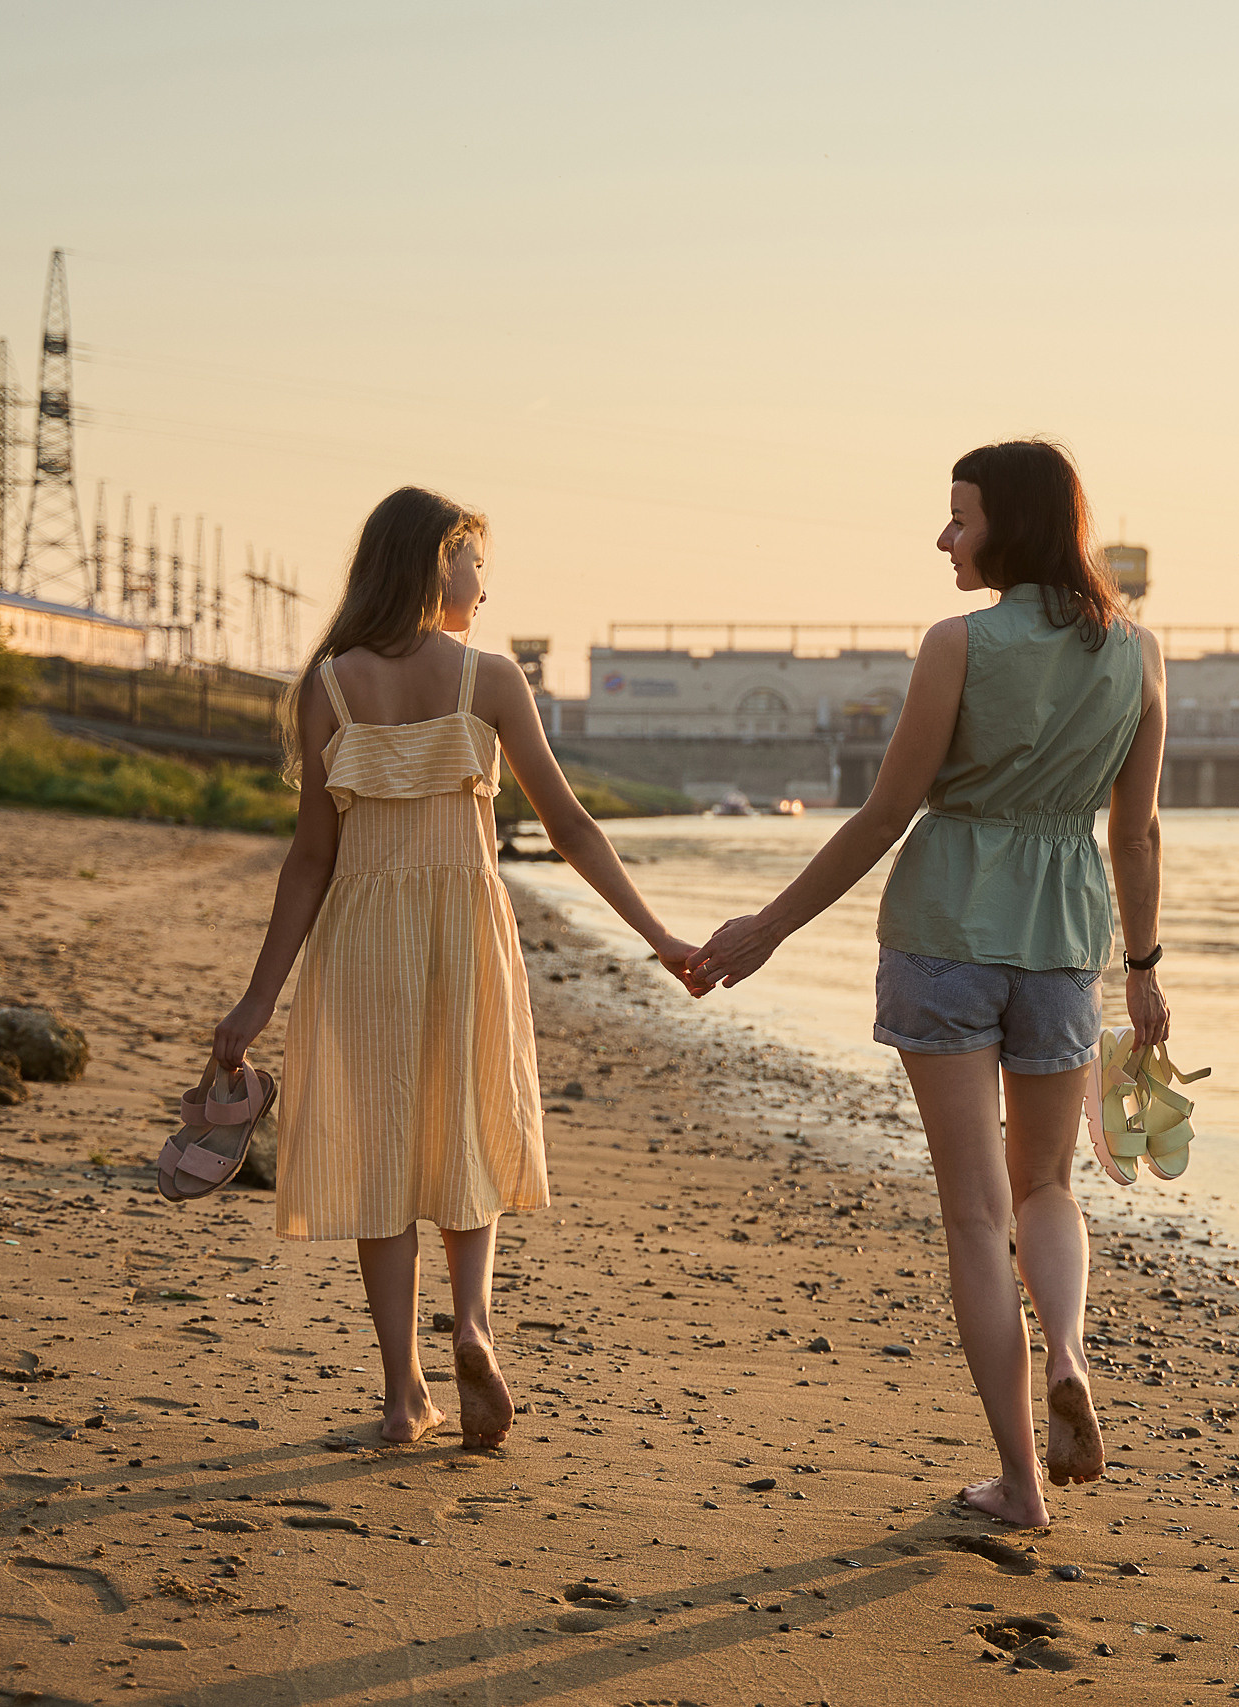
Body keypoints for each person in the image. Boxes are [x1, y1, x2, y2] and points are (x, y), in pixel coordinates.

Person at [691, 440, 1169, 1526]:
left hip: (946, 927)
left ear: (1012, 525)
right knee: (1046, 1187)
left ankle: (1020, 1484)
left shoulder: (957, 643)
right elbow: (1133, 831)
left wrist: (766, 929)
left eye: (960, 518)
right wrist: (1140, 970)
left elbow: (881, 814)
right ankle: (1071, 1353)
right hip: (1063, 943)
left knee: (972, 1216)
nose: (945, 537)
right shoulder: (1138, 654)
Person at [212, 487, 703, 1448]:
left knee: (380, 1150)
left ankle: (404, 1396)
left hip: (360, 936)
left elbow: (310, 857)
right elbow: (570, 829)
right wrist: (660, 937)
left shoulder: (332, 686)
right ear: (441, 564)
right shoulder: (490, 677)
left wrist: (257, 997)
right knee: (467, 1126)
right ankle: (473, 1323)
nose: (484, 582)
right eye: (477, 561)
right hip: (464, 928)